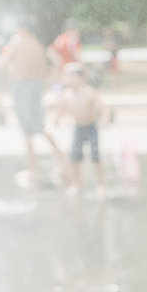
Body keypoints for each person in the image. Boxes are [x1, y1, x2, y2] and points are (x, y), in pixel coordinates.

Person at [0, 20, 70, 188]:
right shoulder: (37, 44)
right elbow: (52, 62)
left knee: (28, 130)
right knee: (39, 126)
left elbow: (4, 63)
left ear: (21, 29)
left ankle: (33, 171)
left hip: (22, 86)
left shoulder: (17, 41)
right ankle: (61, 160)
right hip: (36, 86)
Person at [54, 63, 109, 197]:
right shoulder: (66, 95)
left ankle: (101, 184)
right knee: (75, 158)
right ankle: (77, 183)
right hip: (78, 127)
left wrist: (103, 120)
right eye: (68, 77)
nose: (70, 80)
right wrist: (55, 121)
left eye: (74, 77)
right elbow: (60, 110)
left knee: (95, 157)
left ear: (82, 78)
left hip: (91, 127)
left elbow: (104, 107)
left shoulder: (88, 92)